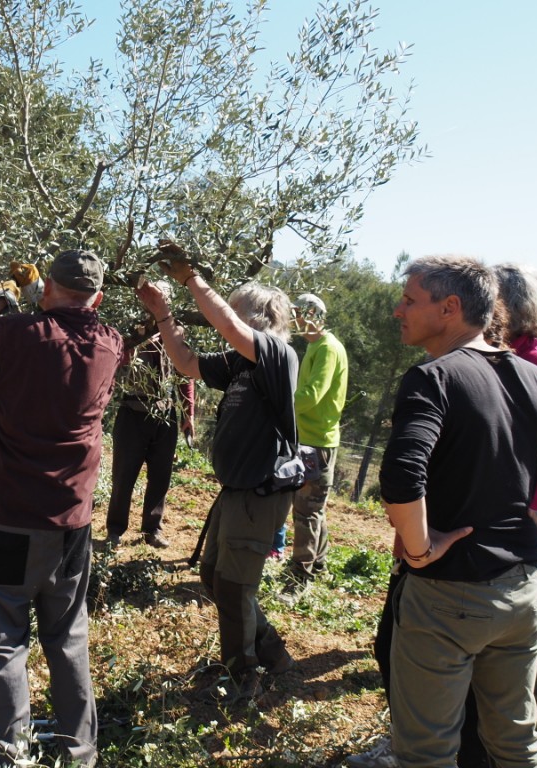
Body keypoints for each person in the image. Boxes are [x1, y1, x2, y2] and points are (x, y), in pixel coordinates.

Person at [378, 255, 537, 768]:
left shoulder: (433, 378)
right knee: (516, 741)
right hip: (521, 593)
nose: (397, 311)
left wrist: (422, 549)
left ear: (450, 308)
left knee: (427, 751)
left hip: (449, 597)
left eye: (409, 300)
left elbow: (402, 478)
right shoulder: (533, 378)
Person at [0, 249, 123, 768]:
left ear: (44, 293)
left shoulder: (16, 334)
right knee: (68, 638)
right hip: (71, 525)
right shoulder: (109, 344)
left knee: (1, 644)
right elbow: (69, 327)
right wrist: (46, 300)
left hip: (5, 520)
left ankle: (11, 756)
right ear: (99, 298)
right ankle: (80, 754)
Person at [135, 242, 298, 700]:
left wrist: (191, 279)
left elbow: (227, 323)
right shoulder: (242, 363)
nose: (224, 317)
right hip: (236, 490)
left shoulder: (276, 356)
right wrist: (164, 314)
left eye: (236, 310)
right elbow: (186, 364)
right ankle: (269, 650)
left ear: (256, 318)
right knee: (214, 576)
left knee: (233, 586)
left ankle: (243, 676)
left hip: (259, 492)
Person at [105, 280, 195, 549]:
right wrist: (137, 343)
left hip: (165, 414)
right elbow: (115, 362)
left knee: (161, 475)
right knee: (124, 475)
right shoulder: (132, 330)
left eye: (163, 297)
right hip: (132, 410)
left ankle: (152, 529)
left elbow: (184, 374)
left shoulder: (176, 331)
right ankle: (115, 529)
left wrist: (188, 414)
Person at [281, 293, 349, 595]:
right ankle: (317, 565)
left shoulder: (326, 349)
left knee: (305, 512)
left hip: (315, 441)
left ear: (310, 316)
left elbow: (311, 395)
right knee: (313, 510)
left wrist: (278, 403)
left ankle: (299, 579)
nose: (294, 320)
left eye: (297, 315)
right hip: (313, 438)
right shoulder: (317, 346)